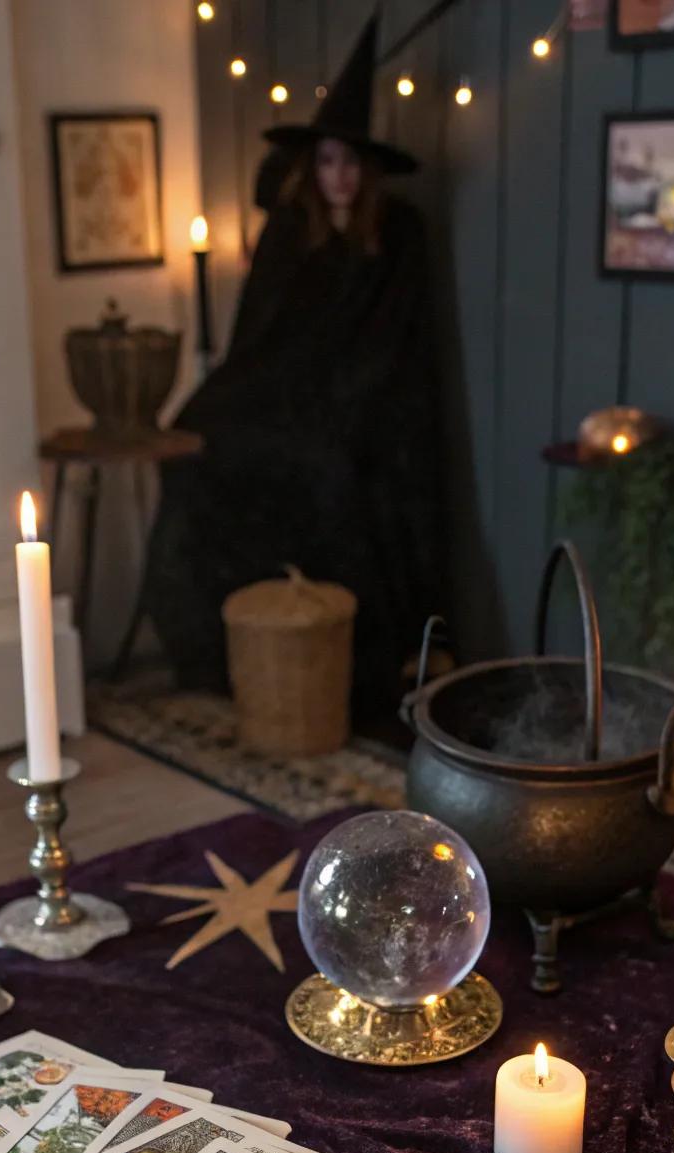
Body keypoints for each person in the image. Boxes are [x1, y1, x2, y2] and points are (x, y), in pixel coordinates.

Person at [145, 16, 440, 715]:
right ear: (312, 168)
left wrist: (344, 401)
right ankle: (221, 648)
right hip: (286, 394)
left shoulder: (399, 235)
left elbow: (393, 341)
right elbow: (263, 337)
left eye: (349, 163)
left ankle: (352, 664)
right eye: (327, 161)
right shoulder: (290, 231)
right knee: (198, 441)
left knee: (335, 471)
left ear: (366, 170)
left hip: (369, 401)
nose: (338, 176)